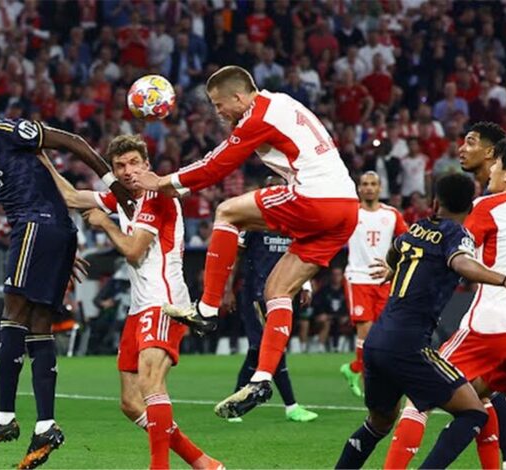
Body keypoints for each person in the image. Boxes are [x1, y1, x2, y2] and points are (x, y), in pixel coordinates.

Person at [136, 65, 359, 418]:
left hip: (316, 198)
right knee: (277, 292)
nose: (218, 112)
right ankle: (261, 379)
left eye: (218, 104)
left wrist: (162, 182)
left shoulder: (259, 116)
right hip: (346, 207)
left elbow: (215, 166)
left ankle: (207, 310)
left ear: (238, 98)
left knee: (226, 212)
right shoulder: (281, 102)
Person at [0, 81, 134, 470]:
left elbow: (72, 142)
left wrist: (113, 184)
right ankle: (46, 426)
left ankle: (4, 419)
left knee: (12, 314)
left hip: (36, 223)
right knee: (38, 326)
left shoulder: (7, 130)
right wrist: (57, 246)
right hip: (47, 230)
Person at [37, 136, 223, 470]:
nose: (127, 171)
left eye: (134, 163)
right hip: (139, 305)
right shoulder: (123, 199)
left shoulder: (157, 196)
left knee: (151, 384)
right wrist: (43, 159)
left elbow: (134, 251)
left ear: (147, 165)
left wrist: (105, 223)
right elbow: (71, 196)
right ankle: (203, 463)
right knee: (130, 402)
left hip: (164, 302)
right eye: (120, 165)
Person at [334, 173, 506, 469]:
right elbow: (461, 262)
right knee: (473, 412)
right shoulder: (457, 233)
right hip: (410, 346)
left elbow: (396, 249)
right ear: (470, 207)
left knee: (378, 423)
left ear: (435, 203)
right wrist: (504, 279)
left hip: (377, 343)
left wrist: (393, 269)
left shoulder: (417, 228)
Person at [386, 133, 506, 469]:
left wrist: (402, 264)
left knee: (418, 396)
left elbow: (452, 250)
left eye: (497, 164)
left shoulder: (488, 207)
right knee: (479, 400)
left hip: (489, 329)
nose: (491, 170)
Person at [222, 175, 319, 424]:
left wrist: (305, 284)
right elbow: (236, 255)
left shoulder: (293, 223)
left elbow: (301, 255)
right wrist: (228, 289)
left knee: (258, 350)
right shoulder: (254, 222)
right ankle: (291, 406)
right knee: (271, 348)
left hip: (285, 294)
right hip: (256, 294)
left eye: (280, 188)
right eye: (271, 188)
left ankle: (235, 403)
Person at [339, 171, 407, 398]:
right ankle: (369, 378)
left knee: (382, 333)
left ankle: (354, 368)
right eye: (365, 184)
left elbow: (407, 242)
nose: (369, 188)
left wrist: (394, 266)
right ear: (359, 188)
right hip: (358, 278)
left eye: (373, 184)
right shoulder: (351, 213)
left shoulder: (391, 214)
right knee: (366, 331)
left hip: (383, 281)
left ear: (380, 188)